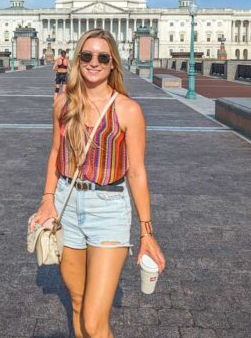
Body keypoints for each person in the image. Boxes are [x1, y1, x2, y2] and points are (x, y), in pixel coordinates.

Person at [34, 29, 165, 338]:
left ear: (113, 63)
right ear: (78, 60)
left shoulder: (128, 110)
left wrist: (147, 232)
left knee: (93, 322)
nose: (94, 63)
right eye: (87, 56)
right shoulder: (63, 104)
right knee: (78, 303)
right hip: (67, 204)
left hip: (109, 209)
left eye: (103, 57)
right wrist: (47, 199)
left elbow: (137, 172)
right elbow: (55, 153)